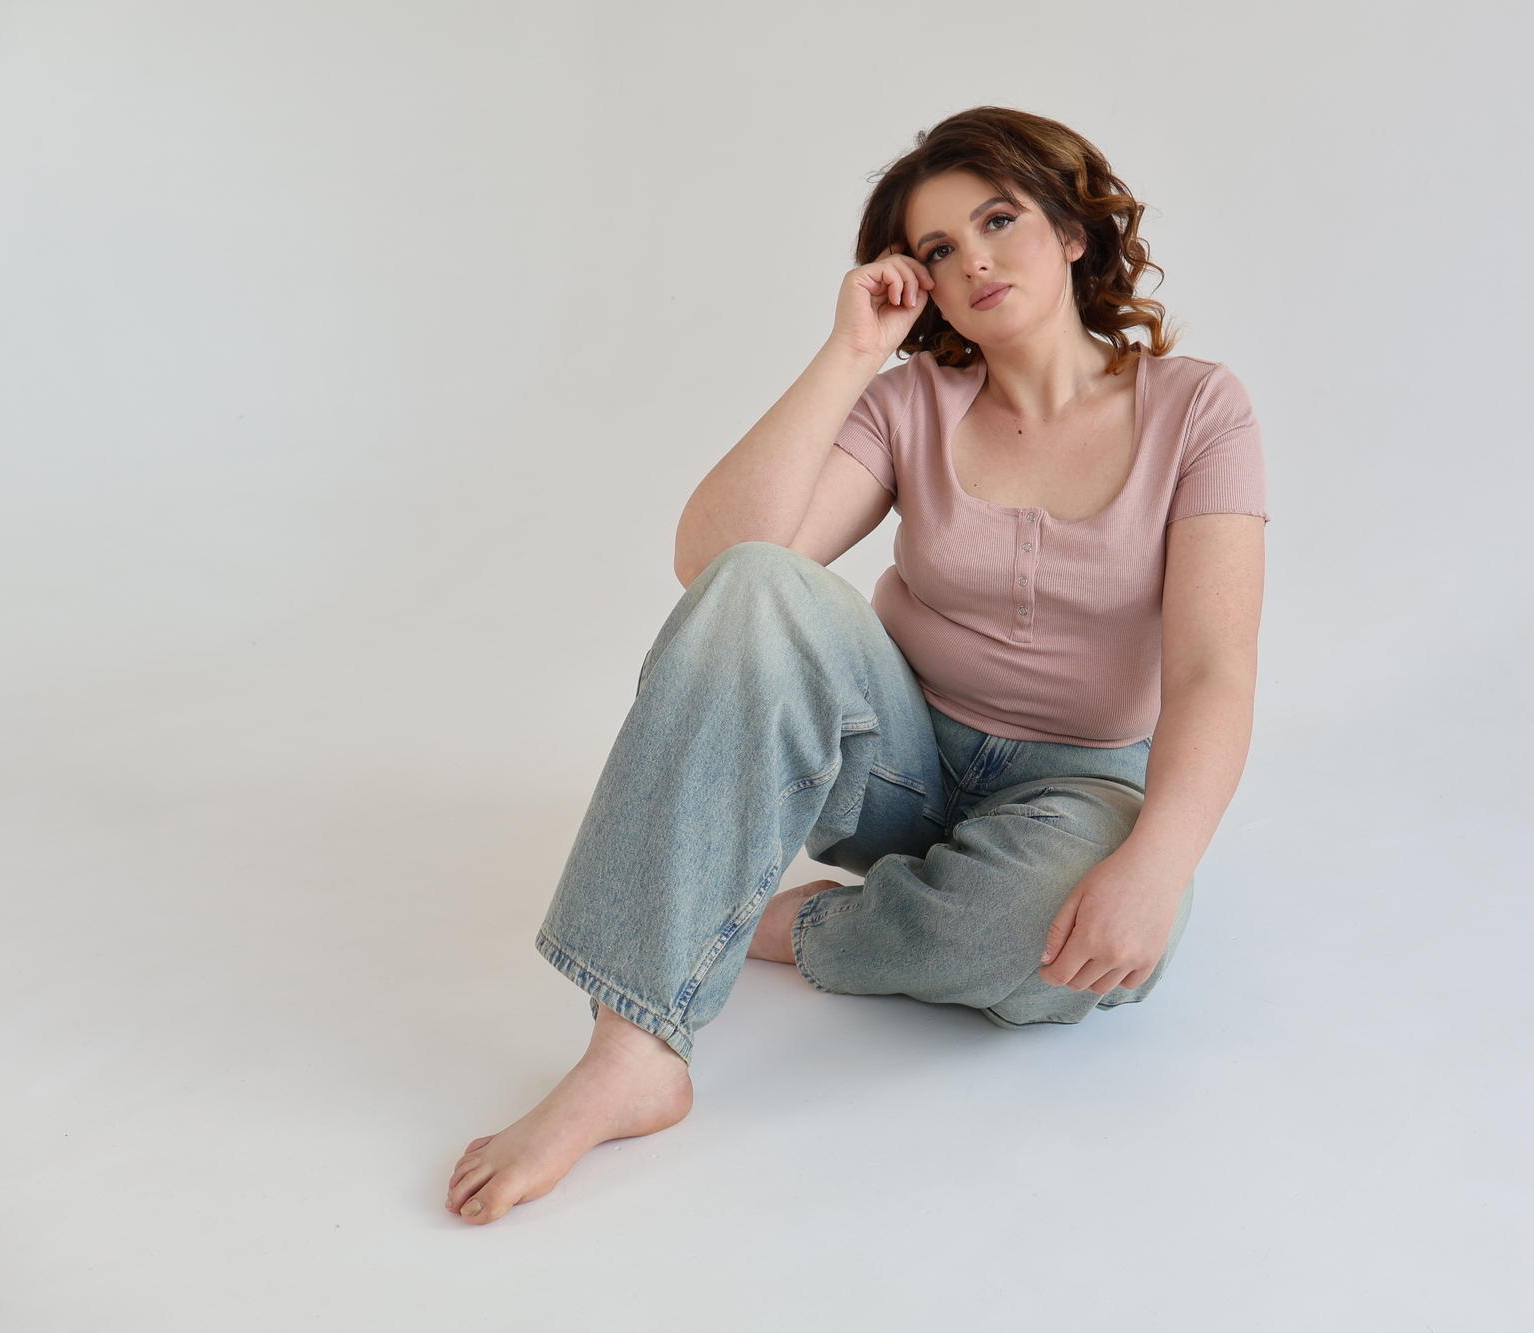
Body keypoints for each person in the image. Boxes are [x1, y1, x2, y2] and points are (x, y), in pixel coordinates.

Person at [445, 106, 1268, 1224]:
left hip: (1076, 785)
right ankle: (630, 1051)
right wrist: (850, 355)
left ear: (1073, 231)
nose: (973, 261)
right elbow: (718, 565)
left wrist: (1157, 866)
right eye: (938, 247)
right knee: (756, 583)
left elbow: (1216, 671)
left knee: (1063, 944)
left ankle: (795, 924)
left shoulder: (1198, 409)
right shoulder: (911, 403)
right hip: (896, 760)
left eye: (998, 220)